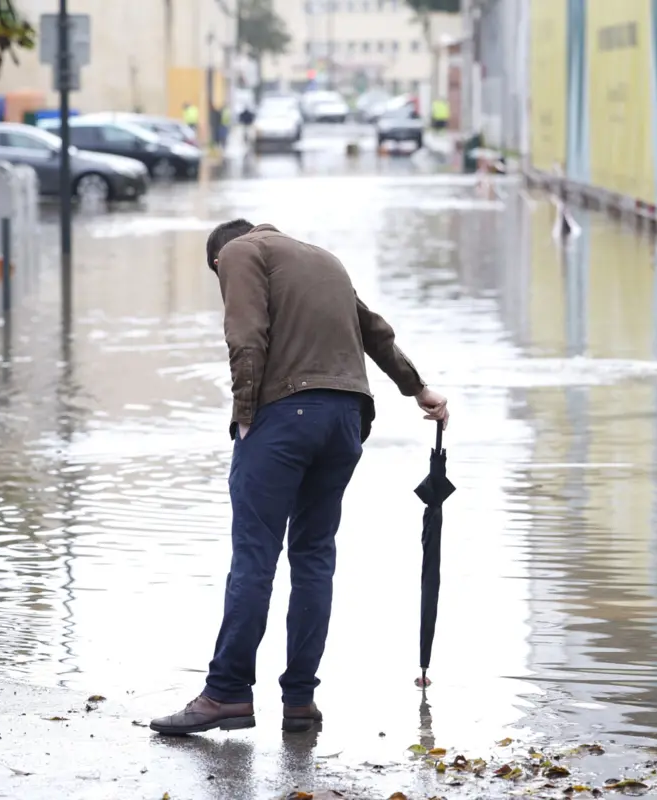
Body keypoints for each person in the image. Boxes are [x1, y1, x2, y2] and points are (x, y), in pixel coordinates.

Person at [150, 220, 449, 736]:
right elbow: (374, 330)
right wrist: (418, 389)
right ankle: (300, 701)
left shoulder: (240, 253)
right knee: (314, 556)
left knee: (255, 554)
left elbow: (245, 335)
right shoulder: (322, 258)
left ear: (219, 262)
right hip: (346, 420)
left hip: (287, 417)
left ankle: (226, 694)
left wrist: (245, 414)